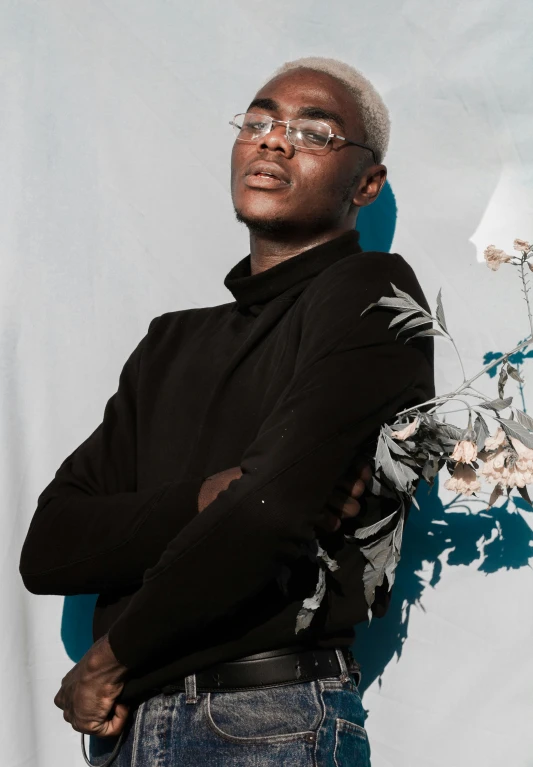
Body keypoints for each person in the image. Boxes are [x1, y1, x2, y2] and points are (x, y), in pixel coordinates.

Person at [19, 55, 435, 766]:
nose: (274, 139)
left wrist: (110, 658)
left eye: (313, 130)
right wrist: (210, 495)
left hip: (262, 719)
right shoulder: (170, 340)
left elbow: (268, 515)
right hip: (127, 734)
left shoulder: (371, 291)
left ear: (366, 182)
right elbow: (49, 545)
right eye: (260, 120)